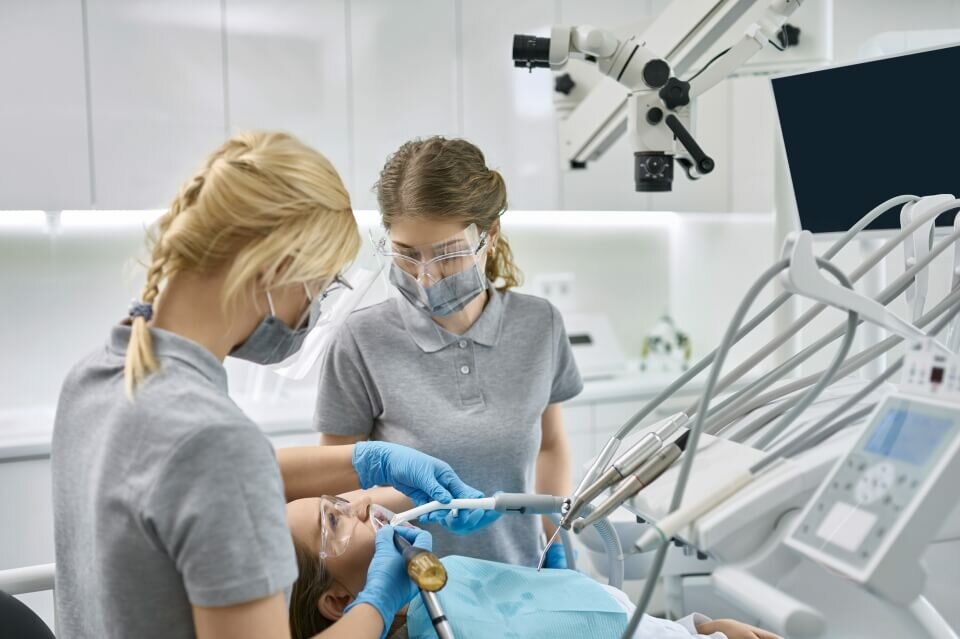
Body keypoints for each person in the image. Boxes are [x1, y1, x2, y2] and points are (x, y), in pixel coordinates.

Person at [51, 131, 490, 639]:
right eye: (323, 288)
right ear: (278, 268)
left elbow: (194, 480)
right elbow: (216, 467)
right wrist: (376, 602)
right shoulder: (211, 440)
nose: (316, 311)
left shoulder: (92, 379)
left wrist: (371, 461)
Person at [315, 136, 579, 568]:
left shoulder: (540, 325)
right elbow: (335, 486)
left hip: (519, 579)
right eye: (406, 255)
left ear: (488, 236)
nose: (426, 277)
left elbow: (551, 444)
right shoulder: (361, 339)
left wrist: (555, 536)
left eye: (447, 256)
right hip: (411, 590)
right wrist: (416, 500)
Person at [285, 495, 784, 639]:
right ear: (339, 602)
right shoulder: (436, 625)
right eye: (333, 520)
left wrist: (699, 630)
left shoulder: (450, 579)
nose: (360, 505)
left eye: (339, 500)